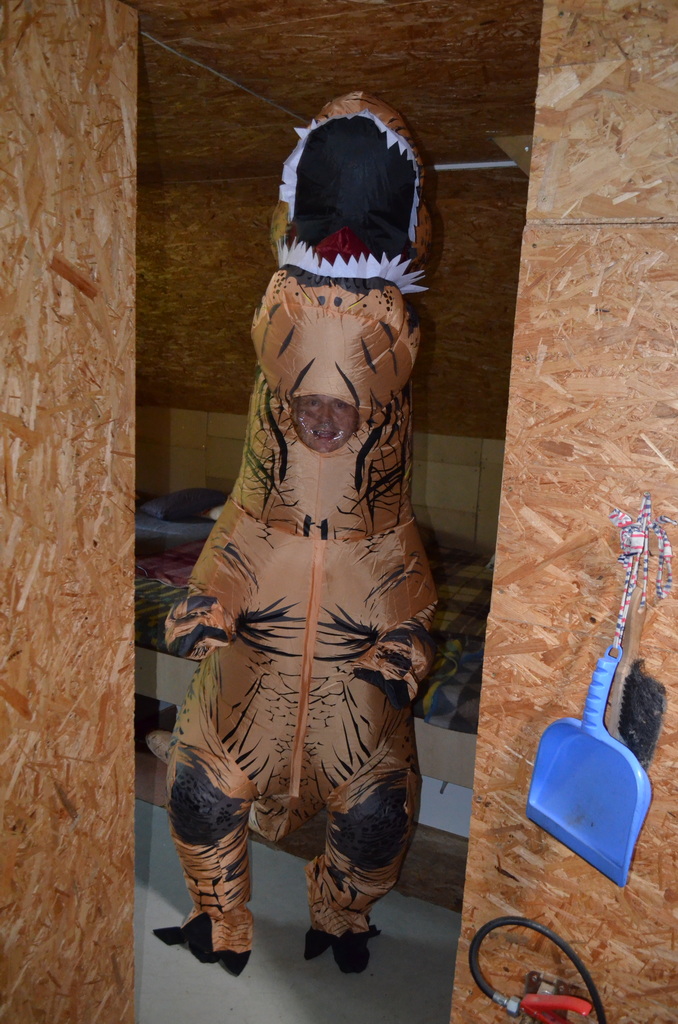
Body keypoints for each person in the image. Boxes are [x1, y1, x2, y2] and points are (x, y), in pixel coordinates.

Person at [152, 90, 437, 978]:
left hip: (356, 717)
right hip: (247, 701)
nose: (322, 417)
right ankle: (219, 920)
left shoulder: (386, 522)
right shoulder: (253, 511)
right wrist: (205, 603)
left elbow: (405, 587)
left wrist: (408, 644)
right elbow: (236, 551)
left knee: (378, 817)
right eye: (306, 403)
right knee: (200, 795)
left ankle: (343, 916)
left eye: (339, 406)